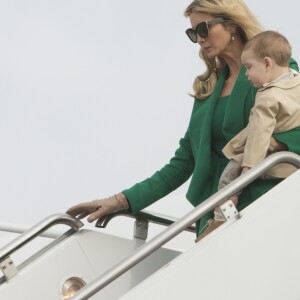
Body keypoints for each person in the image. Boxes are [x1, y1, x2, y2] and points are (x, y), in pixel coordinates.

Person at [66, 0, 300, 240]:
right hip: (214, 213)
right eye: (193, 33)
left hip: (264, 203)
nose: (199, 39)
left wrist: (277, 144)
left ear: (230, 25)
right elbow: (182, 163)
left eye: (203, 29)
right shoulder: (207, 92)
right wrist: (121, 200)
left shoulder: (274, 69)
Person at [197, 30, 300, 241]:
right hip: (288, 166)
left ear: (267, 63)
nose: (246, 74)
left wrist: (248, 168)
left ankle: (219, 219)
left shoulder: (267, 96)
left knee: (227, 181)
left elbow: (260, 131)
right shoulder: (296, 83)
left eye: (249, 67)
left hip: (258, 155)